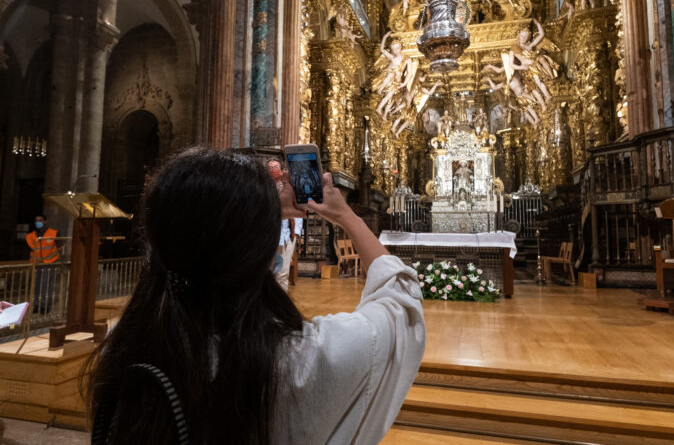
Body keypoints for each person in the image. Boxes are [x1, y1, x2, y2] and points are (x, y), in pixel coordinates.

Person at [87, 148, 425, 444]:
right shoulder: (305, 362)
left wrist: (252, 210)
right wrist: (344, 214)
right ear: (263, 251)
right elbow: (400, 296)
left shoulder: (128, 342)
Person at [267, 158, 303, 290]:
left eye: (276, 167)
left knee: (282, 272)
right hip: (269, 235)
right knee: (269, 270)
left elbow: (297, 208)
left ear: (281, 171)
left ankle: (280, 303)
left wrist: (297, 232)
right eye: (270, 168)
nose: (273, 170)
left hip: (287, 235)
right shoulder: (265, 188)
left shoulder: (289, 189)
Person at [26, 214, 59, 313]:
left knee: (46, 285)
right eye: (36, 221)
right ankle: (36, 305)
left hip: (49, 264)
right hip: (36, 264)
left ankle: (44, 306)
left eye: (40, 220)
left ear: (45, 221)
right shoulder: (30, 236)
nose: (38, 223)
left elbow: (60, 246)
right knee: (35, 286)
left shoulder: (54, 233)